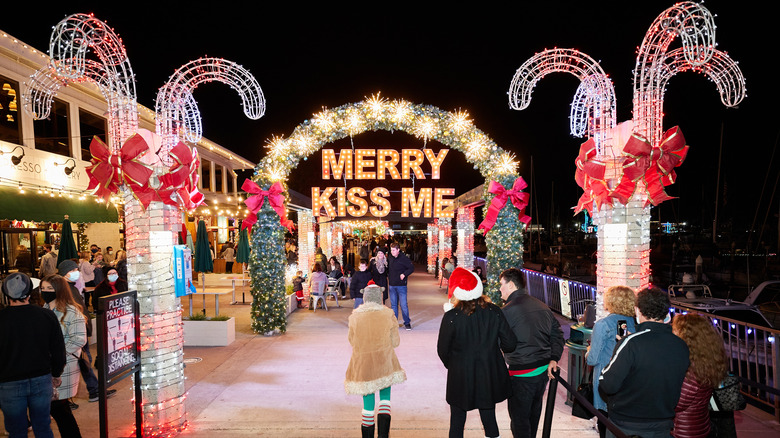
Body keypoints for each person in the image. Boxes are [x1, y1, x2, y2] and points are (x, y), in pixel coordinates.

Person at [599, 287, 690, 438]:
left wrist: (619, 352)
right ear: (666, 313)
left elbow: (607, 384)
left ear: (637, 311)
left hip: (627, 424)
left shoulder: (631, 343)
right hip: (663, 424)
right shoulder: (680, 344)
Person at [438, 267, 517, 438]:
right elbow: (510, 344)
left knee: (457, 421)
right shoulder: (494, 311)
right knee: (489, 416)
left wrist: (454, 363)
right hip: (488, 373)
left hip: (460, 375)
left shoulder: (452, 316)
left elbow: (442, 349)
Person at [499, 267, 564, 438]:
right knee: (533, 416)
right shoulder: (542, 306)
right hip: (542, 371)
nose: (499, 289)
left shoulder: (506, 311)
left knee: (519, 420)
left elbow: (501, 342)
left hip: (520, 373)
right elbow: (557, 334)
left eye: (501, 285)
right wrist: (554, 358)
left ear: (511, 285)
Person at [0, 272, 66, 438]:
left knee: (16, 431)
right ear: (30, 292)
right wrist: (56, 373)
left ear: (6, 293)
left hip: (8, 383)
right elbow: (58, 349)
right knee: (43, 427)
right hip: (41, 379)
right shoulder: (46, 315)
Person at [344, 283, 407, 438]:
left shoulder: (354, 317)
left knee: (368, 405)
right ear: (380, 297)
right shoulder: (388, 314)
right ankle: (384, 435)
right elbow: (395, 343)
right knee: (385, 399)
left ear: (364, 298)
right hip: (384, 362)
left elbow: (352, 341)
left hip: (364, 365)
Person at [585, 285, 637, 437]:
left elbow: (593, 360)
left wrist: (588, 353)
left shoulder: (603, 324)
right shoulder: (632, 323)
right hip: (627, 379)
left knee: (604, 420)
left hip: (605, 378)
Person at [671, 313, 728, 438]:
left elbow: (677, 403)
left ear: (687, 336)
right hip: (700, 424)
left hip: (682, 430)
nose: (672, 334)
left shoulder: (692, 370)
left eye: (675, 331)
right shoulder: (707, 360)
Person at [41, 275, 85, 437]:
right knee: (59, 409)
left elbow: (79, 339)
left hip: (64, 366)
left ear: (59, 290)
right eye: (43, 289)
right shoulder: (44, 309)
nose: (45, 292)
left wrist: (58, 353)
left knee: (60, 409)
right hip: (47, 365)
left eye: (50, 289)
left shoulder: (71, 311)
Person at [388, 242, 414, 330]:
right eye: (391, 250)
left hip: (401, 285)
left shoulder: (404, 258)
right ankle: (394, 322)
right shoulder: (390, 257)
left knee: (403, 305)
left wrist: (404, 274)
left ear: (398, 250)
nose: (392, 252)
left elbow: (411, 268)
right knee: (394, 305)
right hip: (392, 285)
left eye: (394, 250)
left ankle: (407, 322)